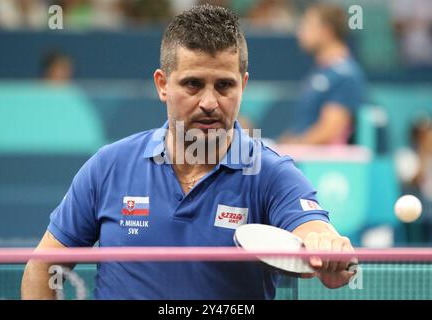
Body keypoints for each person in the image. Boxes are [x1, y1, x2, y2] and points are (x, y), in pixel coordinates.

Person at [21, 4, 355, 300]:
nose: (209, 103)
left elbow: (312, 228)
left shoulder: (270, 172)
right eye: (193, 84)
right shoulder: (109, 166)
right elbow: (43, 267)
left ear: (244, 85)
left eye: (224, 85)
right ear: (163, 84)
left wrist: (327, 248)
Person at [279, 3, 366, 145]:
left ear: (326, 31)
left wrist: (290, 147)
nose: (300, 32)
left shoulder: (345, 75)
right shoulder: (320, 72)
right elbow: (304, 124)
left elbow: (330, 131)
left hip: (322, 163)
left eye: (307, 25)